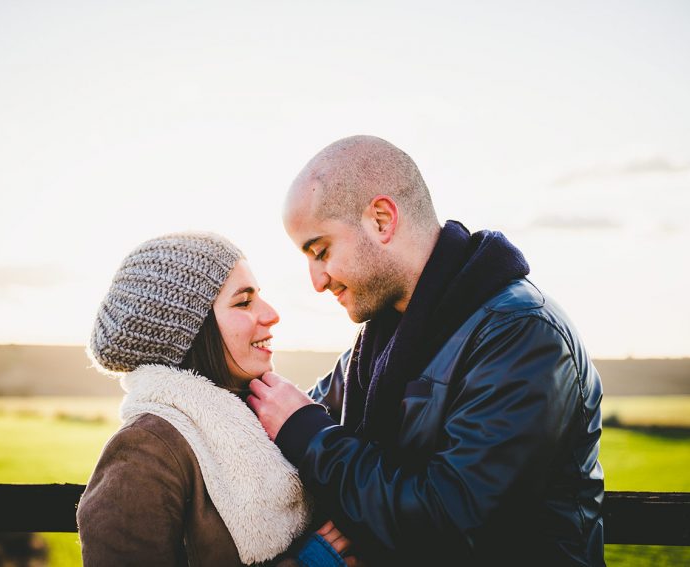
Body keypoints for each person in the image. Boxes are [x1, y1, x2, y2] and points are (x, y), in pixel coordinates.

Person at [247, 135, 605, 566]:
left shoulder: (522, 335)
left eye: (321, 251)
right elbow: (287, 421)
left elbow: (454, 524)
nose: (317, 281)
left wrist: (312, 437)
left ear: (381, 220)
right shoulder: (380, 343)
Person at [77, 232, 356, 567]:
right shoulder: (143, 454)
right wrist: (309, 563)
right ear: (187, 332)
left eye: (259, 297)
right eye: (243, 302)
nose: (271, 314)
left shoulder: (264, 418)